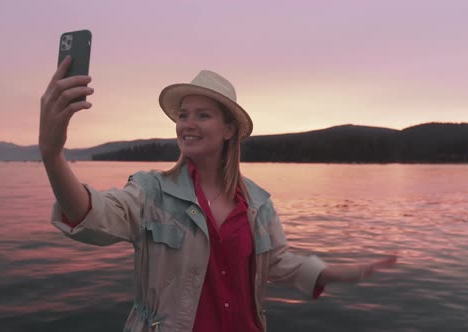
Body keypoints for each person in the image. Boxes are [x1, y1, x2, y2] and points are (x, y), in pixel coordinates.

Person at [39, 56, 397, 332]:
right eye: (183, 115)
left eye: (202, 115)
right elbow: (90, 213)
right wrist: (52, 154)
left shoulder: (257, 202)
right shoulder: (151, 191)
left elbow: (276, 262)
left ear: (229, 130)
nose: (187, 124)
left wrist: (342, 272)